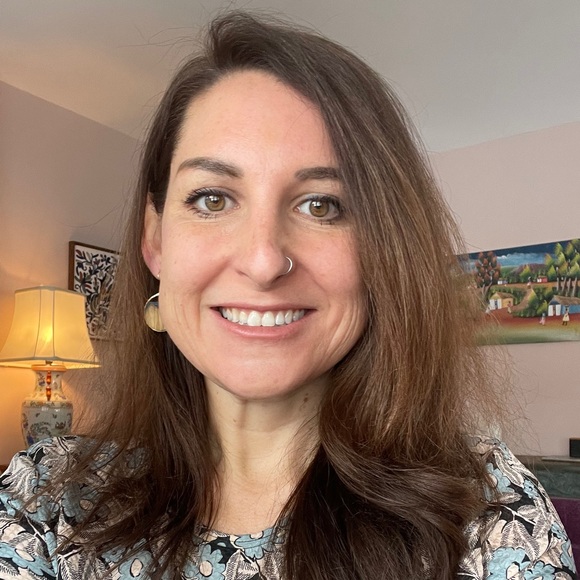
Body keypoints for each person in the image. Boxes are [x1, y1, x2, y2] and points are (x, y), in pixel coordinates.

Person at [0, 11, 576, 580]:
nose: (263, 260)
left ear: (384, 249)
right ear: (155, 240)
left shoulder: (487, 516)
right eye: (212, 199)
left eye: (321, 205)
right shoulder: (46, 502)